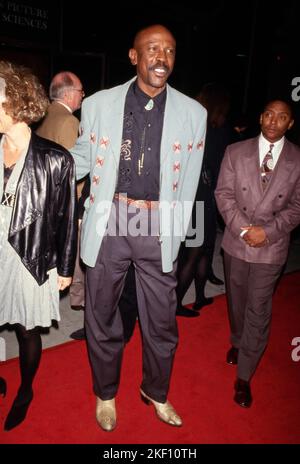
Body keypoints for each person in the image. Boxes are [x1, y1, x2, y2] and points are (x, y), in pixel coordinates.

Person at [70, 24, 207, 431]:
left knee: (162, 317)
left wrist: (182, 232)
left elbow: (192, 179)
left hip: (157, 222)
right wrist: (38, 165)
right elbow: (79, 158)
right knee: (102, 313)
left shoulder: (193, 113)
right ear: (134, 56)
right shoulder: (98, 104)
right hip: (110, 216)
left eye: (169, 50)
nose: (161, 57)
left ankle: (156, 391)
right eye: (152, 49)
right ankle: (106, 393)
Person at [0, 60, 77, 430]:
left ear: (15, 103)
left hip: (29, 255)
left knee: (26, 329)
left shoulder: (55, 159)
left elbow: (66, 218)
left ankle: (26, 389)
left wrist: (65, 268)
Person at [215, 99, 300, 408]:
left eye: (282, 117)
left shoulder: (298, 159)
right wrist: (242, 228)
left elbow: (297, 206)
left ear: (290, 123)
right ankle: (238, 341)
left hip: (271, 246)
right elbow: (223, 193)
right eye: (269, 114)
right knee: (237, 301)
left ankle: (245, 375)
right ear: (261, 116)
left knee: (258, 309)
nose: (274, 121)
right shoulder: (235, 152)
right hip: (237, 242)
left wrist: (269, 231)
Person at [36, 71, 86, 340]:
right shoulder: (69, 120)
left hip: (45, 202)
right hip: (64, 205)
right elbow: (73, 170)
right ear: (68, 94)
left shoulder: (45, 115)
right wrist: (78, 210)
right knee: (76, 258)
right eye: (80, 91)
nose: (82, 95)